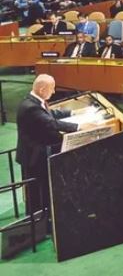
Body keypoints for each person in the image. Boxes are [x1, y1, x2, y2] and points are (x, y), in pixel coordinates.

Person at [16, 75, 88, 217]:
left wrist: (72, 112)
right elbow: (50, 123)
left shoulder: (34, 100)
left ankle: (44, 214)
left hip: (36, 152)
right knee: (37, 190)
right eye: (52, 88)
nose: (54, 92)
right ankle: (39, 219)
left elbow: (50, 114)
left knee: (40, 188)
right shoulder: (30, 107)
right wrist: (79, 127)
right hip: (34, 156)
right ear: (42, 89)